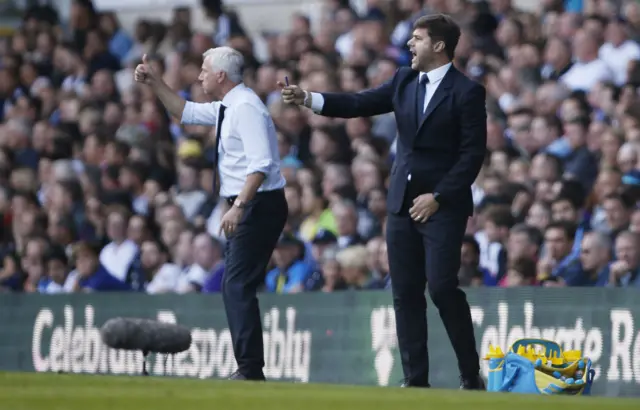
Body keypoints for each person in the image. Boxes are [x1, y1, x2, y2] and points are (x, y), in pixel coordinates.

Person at [280, 14, 486, 389]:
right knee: (405, 292)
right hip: (401, 204)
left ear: (439, 46)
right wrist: (309, 99)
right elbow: (359, 103)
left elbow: (472, 156)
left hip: (442, 207)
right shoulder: (404, 80)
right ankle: (415, 380)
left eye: (418, 38)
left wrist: (438, 196)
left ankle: (470, 374)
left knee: (441, 288)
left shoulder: (466, 92)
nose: (410, 44)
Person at [134, 46, 287, 381]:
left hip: (257, 204)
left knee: (236, 285)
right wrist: (156, 83)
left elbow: (260, 164)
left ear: (221, 76)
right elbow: (184, 112)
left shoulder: (246, 108)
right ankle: (248, 367)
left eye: (204, 70)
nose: (199, 75)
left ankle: (249, 369)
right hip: (250, 203)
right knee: (235, 285)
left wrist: (238, 206)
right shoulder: (229, 106)